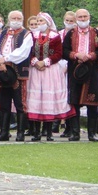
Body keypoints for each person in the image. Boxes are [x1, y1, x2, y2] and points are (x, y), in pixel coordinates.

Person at [25, 13, 73, 142]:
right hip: (35, 70)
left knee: (48, 98)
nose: (40, 23)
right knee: (36, 98)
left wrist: (45, 62)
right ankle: (36, 132)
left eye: (42, 21)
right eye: (38, 21)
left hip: (50, 70)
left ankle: (48, 132)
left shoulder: (55, 36)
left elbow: (59, 53)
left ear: (48, 22)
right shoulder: (32, 36)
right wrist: (35, 62)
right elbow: (28, 51)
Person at [61, 9, 98, 142]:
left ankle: (92, 133)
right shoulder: (70, 34)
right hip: (74, 70)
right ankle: (75, 133)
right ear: (76, 19)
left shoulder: (96, 33)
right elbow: (64, 51)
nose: (82, 19)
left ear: (89, 17)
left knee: (92, 103)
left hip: (91, 71)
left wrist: (90, 56)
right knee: (74, 101)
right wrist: (76, 55)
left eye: (84, 16)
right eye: (80, 17)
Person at [0, 10, 33, 142]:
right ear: (9, 20)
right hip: (4, 73)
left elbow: (23, 53)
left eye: (19, 18)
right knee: (4, 103)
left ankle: (20, 132)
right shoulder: (2, 33)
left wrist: (6, 59)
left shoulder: (27, 34)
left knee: (20, 103)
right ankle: (4, 132)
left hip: (19, 73)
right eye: (13, 18)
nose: (16, 20)